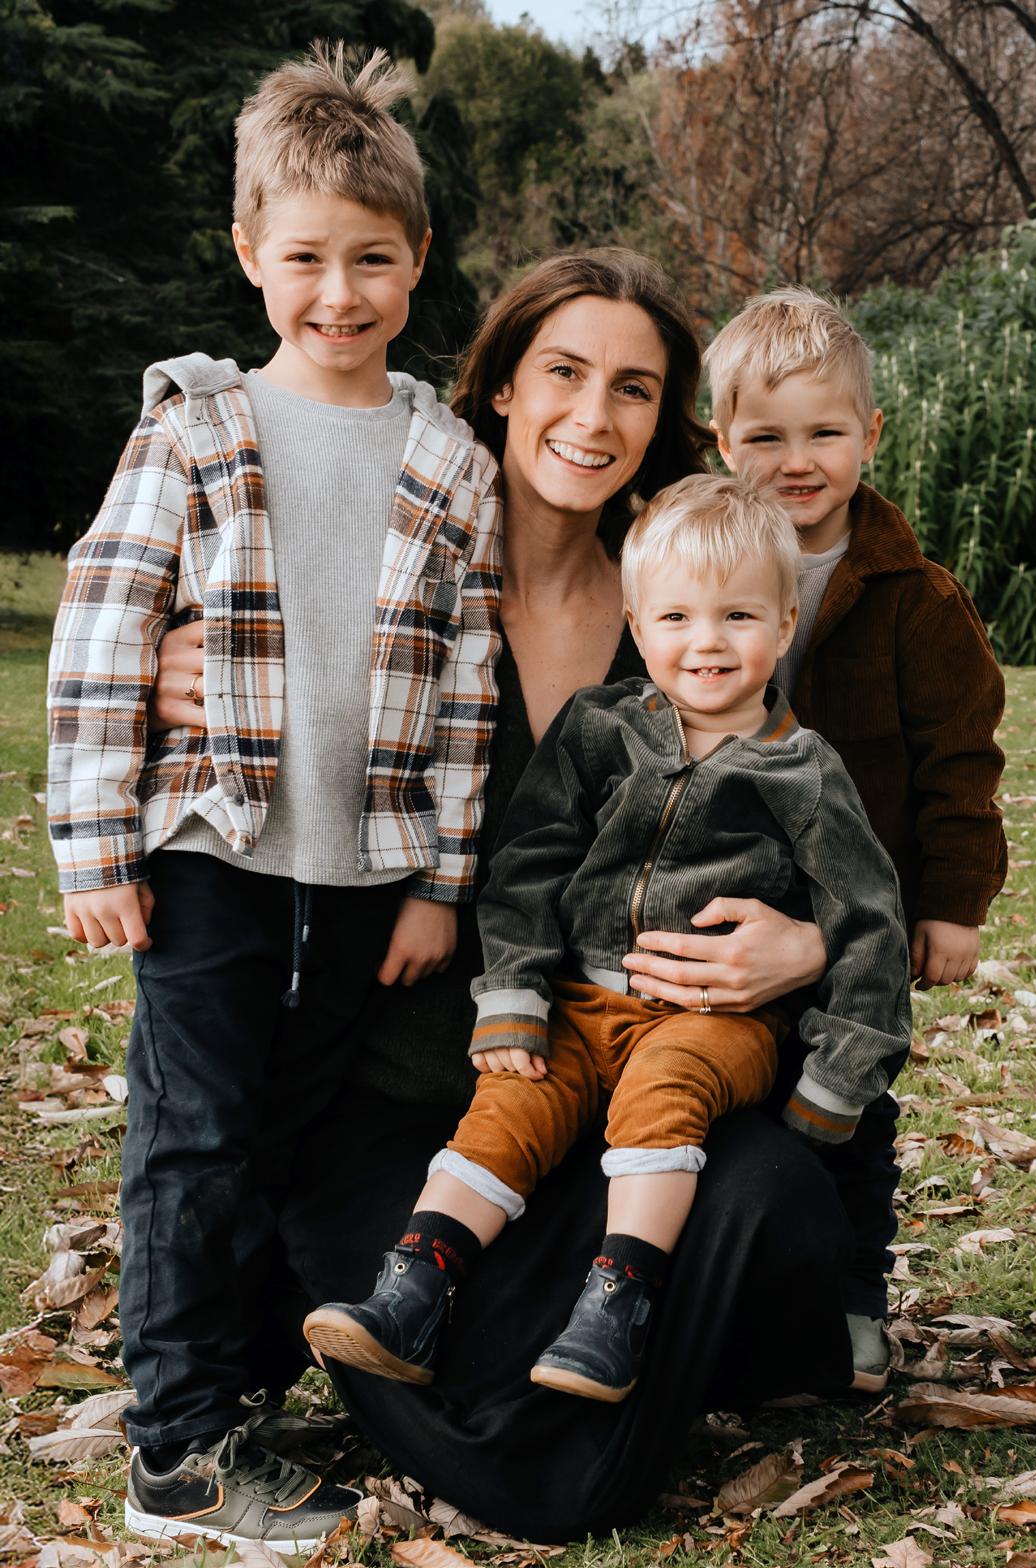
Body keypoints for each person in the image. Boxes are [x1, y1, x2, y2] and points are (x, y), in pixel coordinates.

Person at [151, 250, 860, 1541]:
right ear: (499, 385)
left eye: (632, 387)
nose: (593, 415)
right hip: (403, 1102)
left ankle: (659, 1330)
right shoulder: (390, 572)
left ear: (663, 417)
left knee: (771, 1195)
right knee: (519, 1459)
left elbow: (831, 805)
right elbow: (222, 612)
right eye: (562, 372)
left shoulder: (686, 608)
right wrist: (163, 665)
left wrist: (806, 944)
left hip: (621, 1084)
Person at [46, 43, 502, 1552]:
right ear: (249, 252)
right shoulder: (197, 426)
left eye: (371, 259)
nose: (338, 292)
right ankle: (175, 1451)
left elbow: (467, 689)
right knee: (190, 1135)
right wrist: (96, 847)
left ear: (417, 257)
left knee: (280, 1136)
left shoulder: (449, 461)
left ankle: (229, 1386)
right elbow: (105, 631)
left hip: (363, 870)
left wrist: (440, 883)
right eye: (304, 257)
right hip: (209, 852)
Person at [302, 474, 911, 1405]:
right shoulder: (602, 730)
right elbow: (530, 864)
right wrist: (514, 991)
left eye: (738, 616)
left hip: (713, 1021)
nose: (706, 642)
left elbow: (871, 921)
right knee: (511, 1101)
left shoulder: (802, 772)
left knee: (665, 1093)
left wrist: (835, 1080)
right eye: (676, 617)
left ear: (785, 623)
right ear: (637, 623)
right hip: (583, 1000)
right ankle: (413, 1290)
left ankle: (616, 1306)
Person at [702, 285, 1007, 1385]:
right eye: (765, 437)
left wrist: (952, 905)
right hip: (726, 893)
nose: (797, 462)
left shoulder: (915, 600)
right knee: (734, 1096)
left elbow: (960, 762)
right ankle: (731, 1296)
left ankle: (852, 1298)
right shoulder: (697, 569)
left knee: (850, 1107)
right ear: (720, 440)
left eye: (824, 433)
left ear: (869, 434)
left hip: (860, 914)